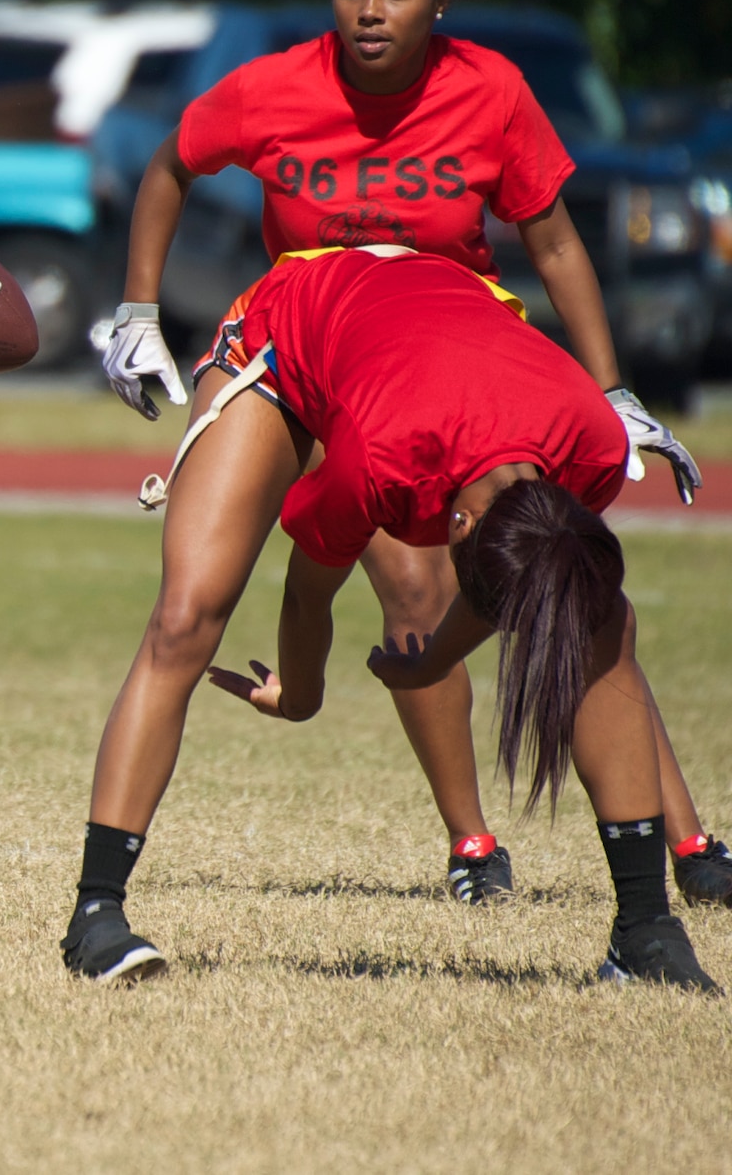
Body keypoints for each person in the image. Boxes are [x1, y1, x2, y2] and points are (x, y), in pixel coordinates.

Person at [97, 0, 732, 908]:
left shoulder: (487, 92)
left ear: (437, 1)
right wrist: (134, 307)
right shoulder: (270, 89)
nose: (368, 10)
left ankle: (690, 849)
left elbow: (552, 240)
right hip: (310, 349)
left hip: (443, 354)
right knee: (400, 596)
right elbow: (171, 163)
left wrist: (610, 389)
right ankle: (472, 842)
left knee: (559, 582)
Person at [65, 246, 717, 991]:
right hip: (288, 332)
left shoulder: (592, 441)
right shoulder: (380, 461)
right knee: (186, 617)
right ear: (459, 532)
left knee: (602, 621)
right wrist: (301, 696)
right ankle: (94, 916)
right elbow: (309, 587)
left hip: (432, 322)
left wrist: (436, 659)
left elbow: (534, 563)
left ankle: (645, 929)